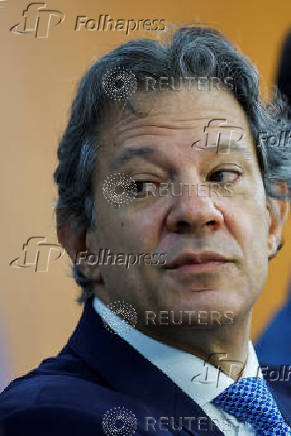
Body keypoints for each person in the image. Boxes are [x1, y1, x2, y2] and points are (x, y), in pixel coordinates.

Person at [0, 26, 290, 436]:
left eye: (223, 174)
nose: (196, 210)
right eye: (142, 185)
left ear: (274, 218)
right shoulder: (52, 419)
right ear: (82, 241)